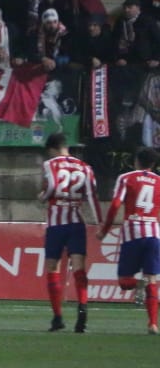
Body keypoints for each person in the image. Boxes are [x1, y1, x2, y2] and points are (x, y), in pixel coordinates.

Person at [39, 135, 99, 333]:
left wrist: (43, 196)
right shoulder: (85, 167)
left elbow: (52, 187)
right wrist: (99, 224)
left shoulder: (50, 164)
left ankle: (57, 317)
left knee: (53, 268)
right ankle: (82, 312)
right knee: (79, 268)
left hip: (57, 224)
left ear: (53, 148)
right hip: (76, 223)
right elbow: (92, 196)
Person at [97, 147, 160, 335]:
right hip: (153, 234)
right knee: (152, 279)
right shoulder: (159, 181)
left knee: (124, 282)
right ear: (154, 164)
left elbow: (116, 204)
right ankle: (152, 323)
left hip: (132, 234)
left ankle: (152, 321)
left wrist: (104, 230)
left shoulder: (126, 178)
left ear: (136, 161)